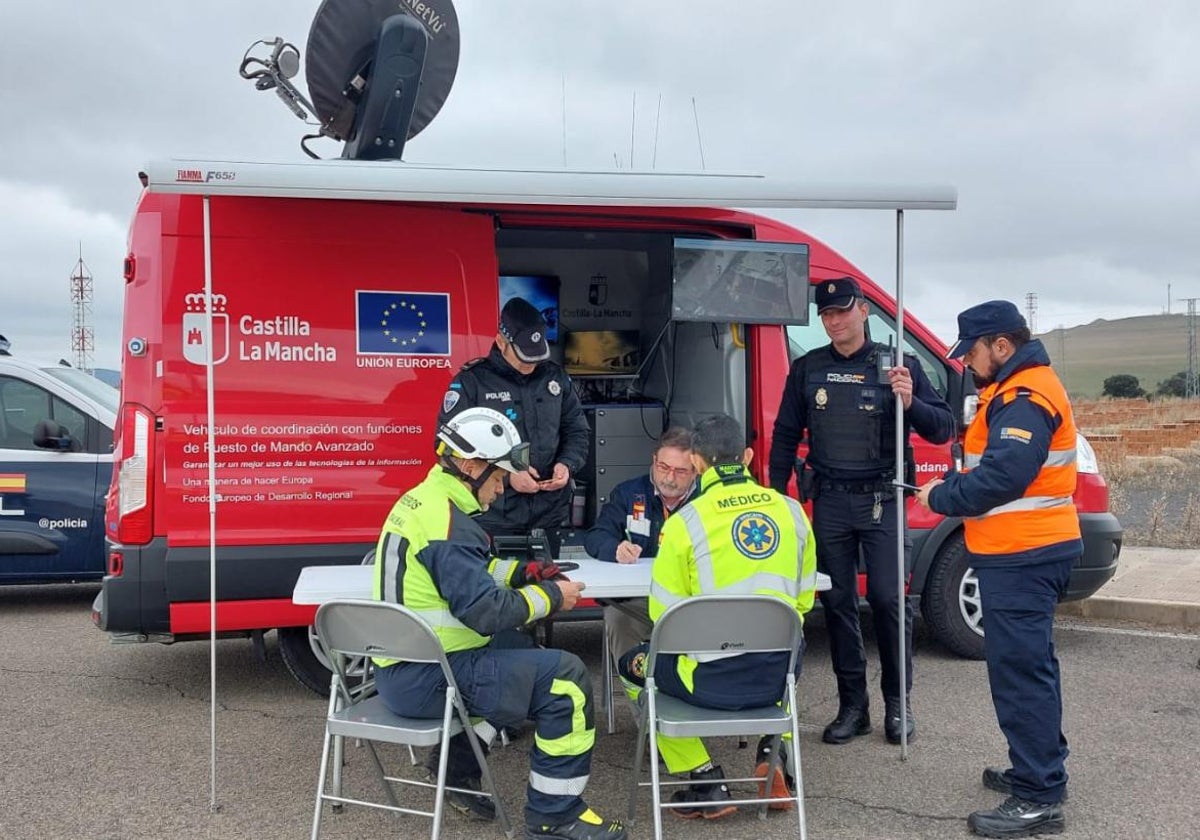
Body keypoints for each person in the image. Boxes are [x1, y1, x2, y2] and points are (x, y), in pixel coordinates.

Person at [372, 406, 626, 840]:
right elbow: (485, 612)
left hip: (408, 670)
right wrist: (550, 596)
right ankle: (555, 815)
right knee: (564, 679)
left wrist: (525, 572)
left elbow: (470, 573)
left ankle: (456, 768)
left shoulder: (428, 502)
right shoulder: (447, 522)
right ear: (469, 466)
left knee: (523, 655)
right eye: (497, 477)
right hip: (431, 679)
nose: (501, 488)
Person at [768, 276, 953, 746]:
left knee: (891, 603)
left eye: (842, 311)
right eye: (826, 314)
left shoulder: (898, 365)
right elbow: (786, 435)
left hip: (882, 499)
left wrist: (910, 401)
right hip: (829, 500)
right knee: (838, 604)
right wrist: (777, 496)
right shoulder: (808, 369)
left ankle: (898, 706)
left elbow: (942, 430)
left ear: (864, 310)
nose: (834, 321)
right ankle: (853, 707)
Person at [916, 300, 1078, 837]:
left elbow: (1004, 478)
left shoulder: (1025, 397)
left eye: (974, 352)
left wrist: (942, 494)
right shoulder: (1013, 391)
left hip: (1024, 556)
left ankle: (1038, 797)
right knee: (1032, 666)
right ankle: (1040, 769)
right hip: (1022, 552)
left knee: (1020, 673)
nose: (968, 364)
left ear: (1001, 346)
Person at [618, 413, 818, 819]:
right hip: (775, 677)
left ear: (696, 463)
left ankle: (704, 778)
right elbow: (803, 603)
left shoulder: (686, 524)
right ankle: (772, 753)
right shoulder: (793, 512)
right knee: (792, 650)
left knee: (632, 664)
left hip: (707, 680)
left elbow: (663, 616)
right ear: (746, 456)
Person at [438, 296, 590, 538]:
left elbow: (577, 431)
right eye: (523, 356)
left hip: (549, 514)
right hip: (492, 516)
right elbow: (449, 448)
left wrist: (567, 465)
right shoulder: (472, 381)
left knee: (546, 576)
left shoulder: (555, 378)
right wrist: (508, 475)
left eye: (535, 356)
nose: (530, 364)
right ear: (501, 341)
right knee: (495, 576)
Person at [584, 426, 698, 666]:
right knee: (617, 618)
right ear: (654, 460)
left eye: (680, 471)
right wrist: (615, 548)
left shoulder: (706, 499)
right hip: (640, 601)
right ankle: (641, 699)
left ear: (696, 470)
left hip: (693, 598)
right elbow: (596, 536)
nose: (669, 478)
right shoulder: (629, 493)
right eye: (664, 467)